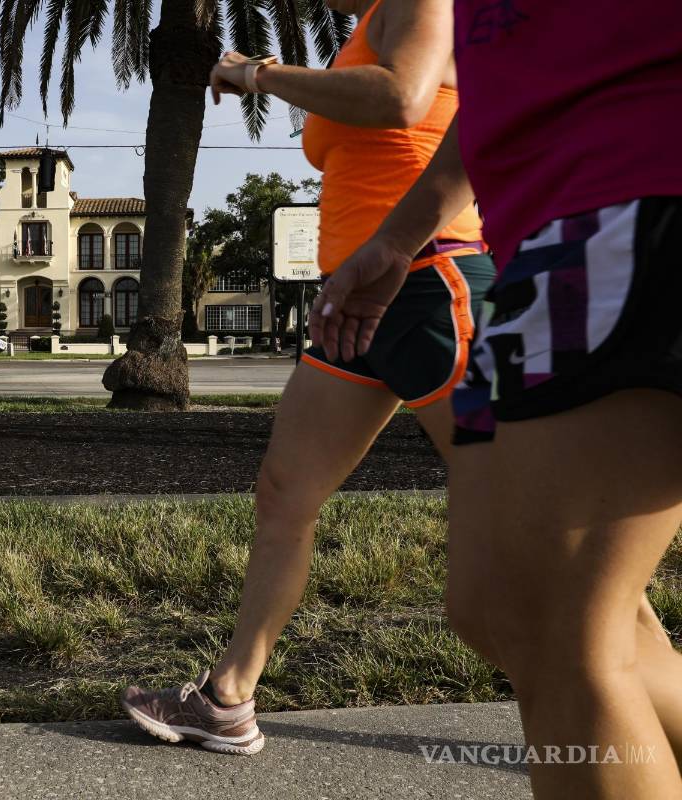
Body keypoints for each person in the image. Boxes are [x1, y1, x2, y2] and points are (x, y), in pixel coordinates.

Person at [309, 2, 682, 796]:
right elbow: (496, 104)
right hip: (550, 246)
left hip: (634, 200)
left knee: (555, 625)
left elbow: (408, 96)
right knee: (496, 607)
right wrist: (394, 238)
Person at [121, 0, 494, 756]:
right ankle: (228, 699)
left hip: (428, 282)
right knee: (285, 494)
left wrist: (260, 74)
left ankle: (626, 698)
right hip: (352, 298)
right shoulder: (361, 32)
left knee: (530, 513)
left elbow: (403, 99)